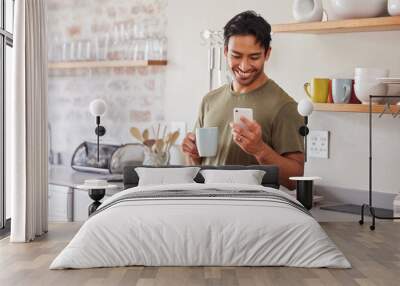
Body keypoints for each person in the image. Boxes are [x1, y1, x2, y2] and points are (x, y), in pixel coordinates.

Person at [181, 11, 304, 190]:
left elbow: (295, 178)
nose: (244, 66)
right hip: (207, 206)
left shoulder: (284, 106)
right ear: (225, 51)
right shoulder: (209, 100)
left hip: (253, 212)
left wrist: (260, 149)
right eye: (236, 56)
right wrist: (191, 154)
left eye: (254, 57)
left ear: (267, 54)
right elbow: (195, 167)